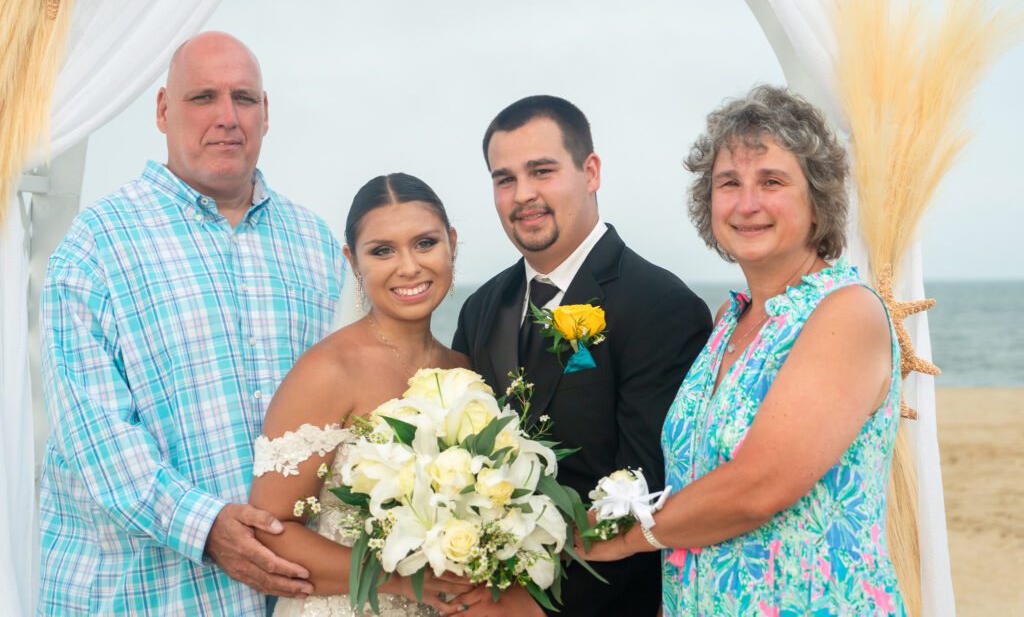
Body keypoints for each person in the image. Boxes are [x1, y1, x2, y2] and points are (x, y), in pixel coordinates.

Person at [37, 32, 344, 615]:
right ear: (162, 110)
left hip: (288, 598)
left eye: (244, 98)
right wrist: (206, 529)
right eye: (203, 97)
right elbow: (94, 438)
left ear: (266, 112)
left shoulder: (317, 247)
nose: (227, 118)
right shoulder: (96, 245)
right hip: (141, 596)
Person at [577, 85, 907, 615]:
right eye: (729, 183)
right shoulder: (729, 320)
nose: (747, 203)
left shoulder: (847, 312)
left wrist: (629, 535)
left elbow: (759, 485)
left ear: (818, 200)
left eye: (771, 181)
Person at [451, 95, 712, 616]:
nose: (523, 194)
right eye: (504, 179)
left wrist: (531, 607)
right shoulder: (480, 307)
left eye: (542, 171)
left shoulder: (661, 306)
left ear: (590, 171)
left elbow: (648, 494)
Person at [249, 173, 472, 616]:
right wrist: (408, 582)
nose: (408, 267)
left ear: (452, 242)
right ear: (353, 261)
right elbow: (272, 531)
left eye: (425, 243)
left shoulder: (462, 371)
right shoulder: (329, 370)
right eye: (382, 250)